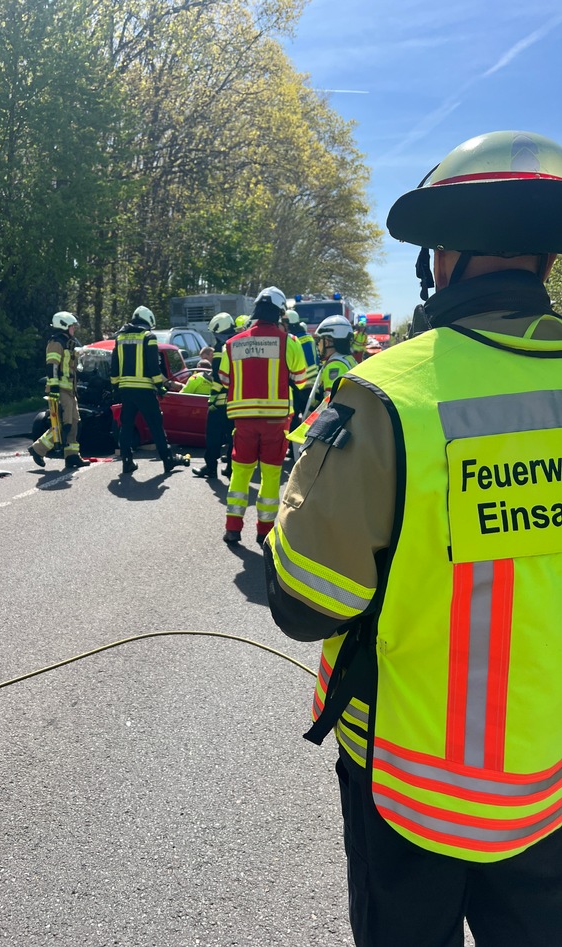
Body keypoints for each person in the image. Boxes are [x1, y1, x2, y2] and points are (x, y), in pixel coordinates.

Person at [264, 130, 562, 947]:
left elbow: (305, 600)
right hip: (547, 785)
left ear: (441, 256)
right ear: (545, 257)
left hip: (407, 780)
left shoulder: (388, 393)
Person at [218, 287, 307, 545]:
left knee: (240, 474)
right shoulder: (289, 342)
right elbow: (301, 380)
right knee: (270, 476)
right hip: (276, 422)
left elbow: (224, 379)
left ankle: (232, 528)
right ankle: (264, 531)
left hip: (243, 421)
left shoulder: (233, 343)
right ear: (279, 313)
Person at [110, 305, 189, 475]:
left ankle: (127, 461)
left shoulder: (120, 337)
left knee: (126, 425)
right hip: (145, 390)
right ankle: (168, 460)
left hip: (126, 390)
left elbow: (114, 365)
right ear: (149, 321)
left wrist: (115, 385)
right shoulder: (149, 337)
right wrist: (160, 386)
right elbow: (154, 367)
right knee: (155, 425)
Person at [28, 311, 90, 470]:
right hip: (60, 390)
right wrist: (54, 389)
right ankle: (37, 449)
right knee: (64, 424)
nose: (74, 330)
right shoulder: (56, 343)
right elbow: (52, 366)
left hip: (69, 390)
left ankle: (72, 457)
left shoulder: (68, 343)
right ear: (64, 326)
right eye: (72, 327)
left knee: (75, 422)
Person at [193, 312, 237, 480]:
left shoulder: (220, 348)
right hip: (236, 401)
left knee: (212, 436)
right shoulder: (238, 344)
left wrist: (213, 399)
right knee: (233, 436)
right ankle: (231, 468)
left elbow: (219, 377)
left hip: (220, 403)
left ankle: (211, 467)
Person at [283, 308, 320, 433]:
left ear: (290, 324)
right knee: (310, 421)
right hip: (312, 385)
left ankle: (294, 449)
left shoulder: (292, 340)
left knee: (294, 422)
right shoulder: (309, 338)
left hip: (298, 385)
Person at [312, 314, 357, 403]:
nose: (318, 344)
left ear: (328, 341)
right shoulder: (349, 359)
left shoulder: (335, 365)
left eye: (319, 340)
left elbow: (331, 403)